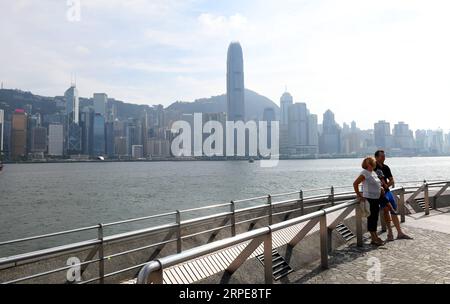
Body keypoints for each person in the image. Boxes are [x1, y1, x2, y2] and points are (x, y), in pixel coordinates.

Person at [374, 150, 412, 241]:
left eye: (384, 156)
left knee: (394, 210)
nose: (384, 158)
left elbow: (392, 180)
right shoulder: (373, 167)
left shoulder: (386, 167)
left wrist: (386, 185)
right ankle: (390, 233)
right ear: (376, 157)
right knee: (386, 211)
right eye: (381, 156)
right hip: (380, 194)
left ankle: (400, 233)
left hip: (388, 192)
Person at [353, 157, 385, 246]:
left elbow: (376, 184)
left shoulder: (372, 173)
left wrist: (380, 188)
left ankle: (375, 236)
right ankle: (374, 238)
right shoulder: (365, 173)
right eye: (369, 163)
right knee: (371, 218)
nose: (371, 164)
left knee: (374, 218)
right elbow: (355, 183)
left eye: (371, 163)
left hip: (376, 198)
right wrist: (359, 195)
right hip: (370, 199)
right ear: (366, 164)